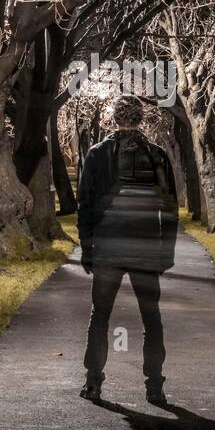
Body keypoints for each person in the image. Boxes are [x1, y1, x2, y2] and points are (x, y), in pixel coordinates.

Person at [76, 96, 178, 405]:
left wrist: (87, 247)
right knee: (152, 318)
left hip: (108, 246)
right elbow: (170, 208)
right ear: (142, 119)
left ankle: (93, 382)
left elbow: (86, 206)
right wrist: (166, 252)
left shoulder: (97, 154)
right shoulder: (158, 156)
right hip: (146, 248)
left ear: (113, 118)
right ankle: (154, 386)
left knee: (100, 315)